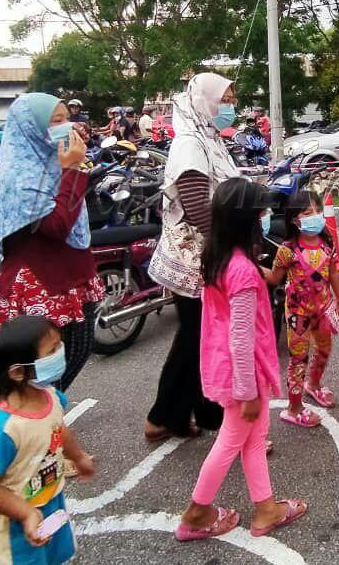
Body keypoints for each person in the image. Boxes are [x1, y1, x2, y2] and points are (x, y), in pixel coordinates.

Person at [176, 177, 308, 541]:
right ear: (247, 220)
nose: (265, 217)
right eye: (260, 212)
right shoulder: (244, 272)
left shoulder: (218, 257)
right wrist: (248, 392)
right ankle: (197, 512)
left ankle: (265, 508)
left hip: (229, 369)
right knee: (232, 439)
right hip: (242, 376)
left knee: (252, 438)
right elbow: (241, 335)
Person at [145, 73, 241, 442]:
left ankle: (186, 413)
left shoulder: (208, 138)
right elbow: (196, 206)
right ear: (204, 101)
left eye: (232, 98)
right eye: (225, 99)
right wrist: (228, 248)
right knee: (199, 339)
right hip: (197, 259)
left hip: (205, 255)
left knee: (199, 338)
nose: (230, 106)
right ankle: (170, 415)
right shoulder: (189, 143)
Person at [0, 93, 101, 393]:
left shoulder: (54, 160)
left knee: (78, 351)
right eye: (57, 121)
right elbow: (56, 226)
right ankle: (32, 425)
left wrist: (71, 168)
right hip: (40, 281)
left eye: (67, 119)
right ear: (31, 127)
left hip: (72, 271)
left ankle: (49, 414)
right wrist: (72, 170)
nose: (67, 127)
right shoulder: (22, 174)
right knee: (40, 369)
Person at [0, 315, 96, 564]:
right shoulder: (5, 430)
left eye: (59, 345)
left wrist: (78, 456)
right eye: (52, 350)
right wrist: (25, 513)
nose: (60, 352)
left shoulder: (50, 396)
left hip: (49, 501)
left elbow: (58, 428)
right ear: (18, 373)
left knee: (50, 557)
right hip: (13, 523)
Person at [265, 191, 339, 428]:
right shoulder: (287, 249)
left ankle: (313, 385)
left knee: (324, 349)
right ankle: (293, 408)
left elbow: (333, 273)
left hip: (323, 310)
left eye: (317, 211)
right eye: (307, 213)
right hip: (297, 315)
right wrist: (248, 263)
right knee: (298, 359)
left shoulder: (327, 242)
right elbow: (274, 278)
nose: (315, 216)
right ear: (295, 219)